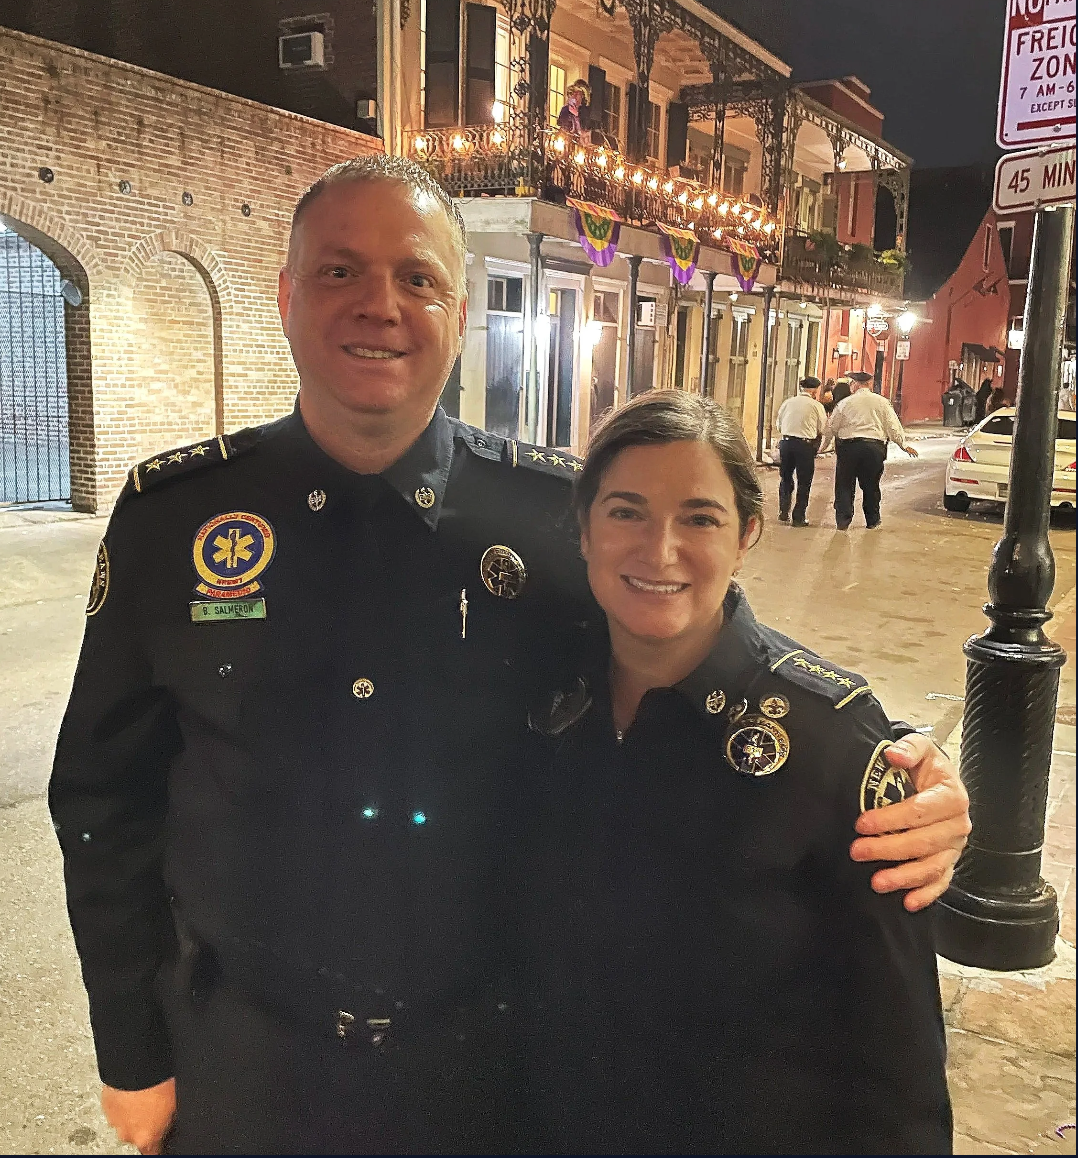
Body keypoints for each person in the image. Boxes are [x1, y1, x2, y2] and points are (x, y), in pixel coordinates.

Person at [49, 155, 970, 1156]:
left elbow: (688, 648)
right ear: (286, 295)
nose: (380, 306)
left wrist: (883, 775)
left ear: (457, 309)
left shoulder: (545, 514)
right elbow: (103, 799)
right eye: (341, 272)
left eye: (417, 278)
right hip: (248, 1065)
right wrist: (129, 1048)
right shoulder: (174, 520)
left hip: (497, 1075)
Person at [523, 391, 953, 1153]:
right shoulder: (539, 690)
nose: (660, 551)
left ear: (746, 534)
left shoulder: (830, 737)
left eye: (700, 518)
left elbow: (898, 1066)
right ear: (583, 531)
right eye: (625, 512)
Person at [822, 369, 918, 530]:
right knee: (871, 485)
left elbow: (832, 427)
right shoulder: (882, 402)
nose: (851, 386)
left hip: (849, 448)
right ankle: (872, 519)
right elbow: (892, 426)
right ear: (869, 384)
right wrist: (903, 444)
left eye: (852, 383)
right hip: (874, 448)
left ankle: (843, 521)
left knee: (845, 484)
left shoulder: (845, 403)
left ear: (856, 385)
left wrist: (823, 446)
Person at [775, 376, 825, 526]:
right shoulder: (816, 406)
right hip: (805, 446)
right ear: (815, 390)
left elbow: (779, 424)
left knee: (785, 478)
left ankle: (783, 512)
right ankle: (799, 517)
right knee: (804, 481)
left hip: (786, 443)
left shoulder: (788, 403)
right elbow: (822, 428)